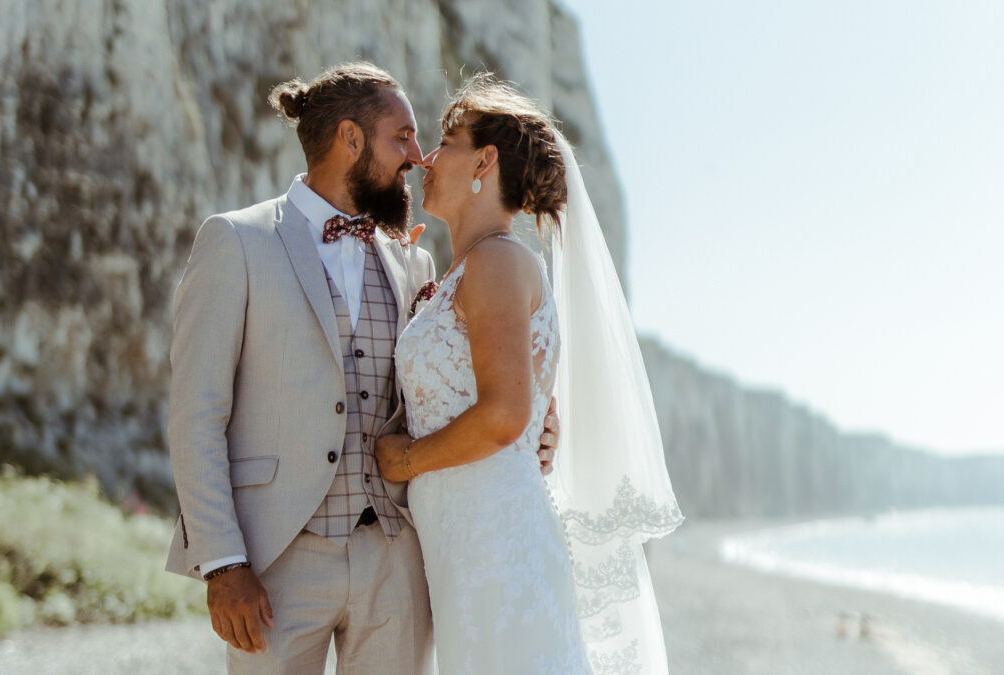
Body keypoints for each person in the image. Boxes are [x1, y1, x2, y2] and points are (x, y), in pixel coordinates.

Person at [164, 62, 559, 674]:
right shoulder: (236, 242)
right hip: (275, 562)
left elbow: (462, 383)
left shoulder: (417, 266)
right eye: (401, 137)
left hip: (399, 561)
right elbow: (196, 415)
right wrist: (222, 563)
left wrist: (535, 425)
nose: (418, 156)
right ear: (350, 138)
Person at [375, 75, 684, 674]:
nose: (427, 160)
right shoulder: (472, 269)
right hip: (468, 546)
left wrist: (403, 461)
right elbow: (519, 407)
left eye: (446, 141)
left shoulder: (494, 262)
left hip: (495, 547)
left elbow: (503, 414)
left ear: (484, 161)